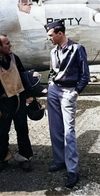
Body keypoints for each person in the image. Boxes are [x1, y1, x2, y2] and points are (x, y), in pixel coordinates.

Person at [44, 20, 90, 188]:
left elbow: (85, 74)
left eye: (50, 35)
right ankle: (59, 160)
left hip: (69, 91)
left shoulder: (77, 49)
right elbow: (51, 72)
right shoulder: (53, 52)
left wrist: (76, 92)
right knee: (55, 128)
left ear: (60, 33)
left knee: (69, 131)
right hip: (54, 91)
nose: (48, 38)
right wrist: (49, 86)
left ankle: (72, 170)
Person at [0, 34, 33, 172]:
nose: (10, 45)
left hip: (18, 99)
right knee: (3, 132)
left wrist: (29, 96)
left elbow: (23, 76)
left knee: (22, 128)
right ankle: (2, 159)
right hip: (3, 103)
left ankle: (25, 157)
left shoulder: (14, 58)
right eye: (7, 43)